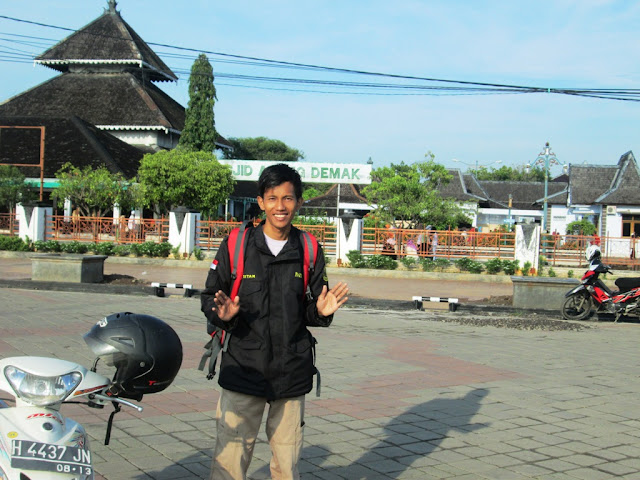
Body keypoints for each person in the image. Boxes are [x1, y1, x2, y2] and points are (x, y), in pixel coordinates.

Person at [201, 163, 349, 480]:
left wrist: (322, 312)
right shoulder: (237, 245)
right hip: (243, 369)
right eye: (272, 198)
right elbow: (210, 296)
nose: (280, 207)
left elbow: (308, 308)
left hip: (291, 375)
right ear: (261, 201)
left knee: (287, 467)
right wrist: (221, 315)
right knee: (229, 465)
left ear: (298, 201)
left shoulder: (308, 249)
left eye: (288, 198)